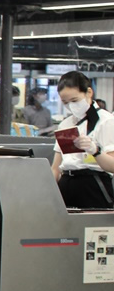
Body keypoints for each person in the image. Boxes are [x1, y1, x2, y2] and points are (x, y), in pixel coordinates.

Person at [51, 71, 114, 209]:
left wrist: (95, 151)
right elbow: (56, 167)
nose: (71, 106)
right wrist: (47, 190)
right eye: (65, 103)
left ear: (89, 92)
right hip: (66, 184)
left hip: (93, 184)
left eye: (75, 100)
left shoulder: (106, 121)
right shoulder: (66, 124)